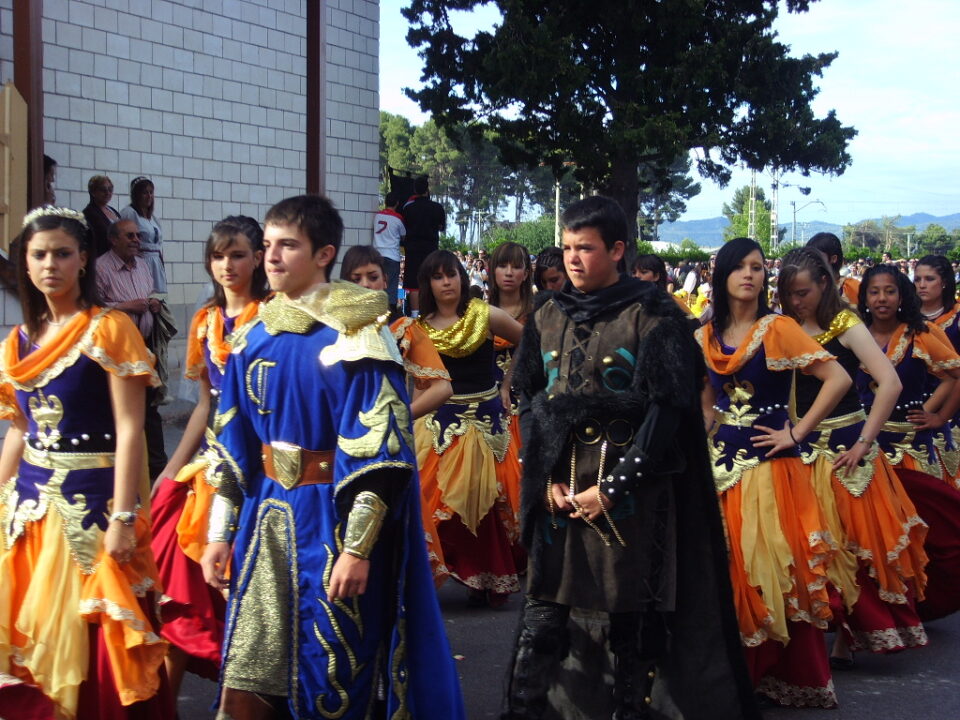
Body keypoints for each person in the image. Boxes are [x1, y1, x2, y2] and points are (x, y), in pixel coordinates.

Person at [199, 195, 464, 719]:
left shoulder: (360, 336)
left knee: (333, 673)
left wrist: (358, 550)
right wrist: (217, 535)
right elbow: (230, 447)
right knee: (249, 674)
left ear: (324, 254)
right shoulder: (253, 335)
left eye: (287, 246)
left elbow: (380, 457)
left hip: (331, 524)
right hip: (265, 518)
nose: (271, 257)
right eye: (267, 245)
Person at [503, 198, 759, 720]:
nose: (573, 259)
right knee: (544, 612)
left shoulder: (656, 314)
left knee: (631, 620)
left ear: (617, 249)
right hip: (560, 492)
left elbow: (668, 410)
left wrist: (615, 487)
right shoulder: (547, 313)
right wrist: (543, 473)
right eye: (568, 247)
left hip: (632, 495)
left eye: (586, 248)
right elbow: (529, 396)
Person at [0, 207, 171, 718]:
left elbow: (130, 429)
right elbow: (19, 429)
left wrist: (123, 517)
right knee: (31, 635)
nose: (49, 264)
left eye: (61, 253)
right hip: (28, 510)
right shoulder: (18, 340)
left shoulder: (108, 328)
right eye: (39, 255)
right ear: (25, 264)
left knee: (93, 635)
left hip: (93, 506)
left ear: (83, 261)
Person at [698, 237, 853, 707]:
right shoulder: (702, 335)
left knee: (767, 569)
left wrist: (797, 432)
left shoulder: (778, 328)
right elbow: (705, 401)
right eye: (741, 267)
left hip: (770, 470)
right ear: (722, 274)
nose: (751, 275)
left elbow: (839, 379)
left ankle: (776, 671)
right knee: (721, 570)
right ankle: (727, 671)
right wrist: (699, 433)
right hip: (718, 465)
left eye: (758, 267)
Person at [778, 248, 929, 667]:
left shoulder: (846, 324)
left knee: (854, 544)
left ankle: (850, 636)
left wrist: (865, 441)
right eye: (789, 294)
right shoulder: (782, 326)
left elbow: (890, 383)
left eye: (803, 292)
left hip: (847, 449)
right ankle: (821, 625)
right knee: (810, 544)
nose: (796, 301)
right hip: (800, 452)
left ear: (824, 284)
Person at [149, 216, 269, 702]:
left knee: (250, 593)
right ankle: (164, 708)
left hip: (262, 468)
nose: (227, 265)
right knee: (181, 594)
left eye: (237, 254)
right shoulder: (204, 320)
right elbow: (204, 405)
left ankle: (249, 700)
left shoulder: (273, 315)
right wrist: (171, 469)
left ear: (258, 257)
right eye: (218, 255)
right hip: (211, 468)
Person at [414, 249, 524, 606]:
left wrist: (507, 385)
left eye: (452, 274)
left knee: (486, 499)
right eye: (438, 276)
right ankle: (434, 574)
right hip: (439, 424)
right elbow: (417, 378)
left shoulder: (486, 314)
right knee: (431, 501)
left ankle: (487, 578)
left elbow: (529, 341)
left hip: (486, 423)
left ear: (462, 277)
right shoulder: (420, 327)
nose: (447, 282)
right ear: (428, 284)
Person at [340, 244, 455, 582]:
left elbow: (442, 388)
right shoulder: (330, 330)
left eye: (372, 277)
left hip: (388, 452)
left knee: (391, 553)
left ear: (385, 281)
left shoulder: (402, 328)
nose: (365, 284)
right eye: (355, 278)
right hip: (339, 453)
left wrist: (396, 416)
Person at [856, 264, 960, 622]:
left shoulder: (920, 333)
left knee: (912, 535)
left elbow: (954, 375)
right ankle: (877, 613)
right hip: (864, 450)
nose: (882, 299)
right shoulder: (855, 335)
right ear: (864, 297)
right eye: (874, 292)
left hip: (909, 452)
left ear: (901, 296)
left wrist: (936, 416)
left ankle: (912, 606)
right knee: (869, 537)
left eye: (889, 291)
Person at [96, 219, 169, 480]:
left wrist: (153, 305)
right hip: (115, 352)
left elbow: (149, 297)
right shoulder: (101, 268)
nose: (136, 240)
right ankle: (121, 470)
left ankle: (159, 470)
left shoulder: (143, 265)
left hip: (144, 347)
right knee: (118, 412)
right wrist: (127, 307)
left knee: (150, 409)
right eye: (130, 236)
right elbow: (94, 310)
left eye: (138, 236)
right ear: (113, 239)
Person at [401, 177, 446, 313]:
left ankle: (415, 315)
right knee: (431, 278)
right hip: (430, 249)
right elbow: (441, 227)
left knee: (414, 284)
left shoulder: (408, 208)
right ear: (427, 190)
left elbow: (404, 228)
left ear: (415, 190)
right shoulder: (437, 208)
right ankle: (430, 312)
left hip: (413, 249)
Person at [120, 176, 167, 296]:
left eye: (151, 192)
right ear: (137, 195)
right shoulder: (130, 213)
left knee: (159, 299)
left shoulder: (153, 218)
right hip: (142, 261)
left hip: (156, 263)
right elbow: (122, 236)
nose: (149, 196)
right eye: (145, 193)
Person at [372, 191, 405, 309]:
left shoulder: (377, 216)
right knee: (391, 286)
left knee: (377, 283)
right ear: (397, 203)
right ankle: (389, 313)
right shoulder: (398, 219)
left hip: (377, 254)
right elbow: (403, 235)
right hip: (392, 255)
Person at [807, 232, 859, 306]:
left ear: (833, 258)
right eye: (809, 256)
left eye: (817, 256)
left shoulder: (854, 287)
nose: (811, 260)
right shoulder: (805, 288)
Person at [82, 174, 122, 257]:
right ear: (93, 192)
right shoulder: (89, 213)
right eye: (103, 190)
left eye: (110, 189)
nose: (107, 193)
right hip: (102, 257)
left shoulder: (113, 210)